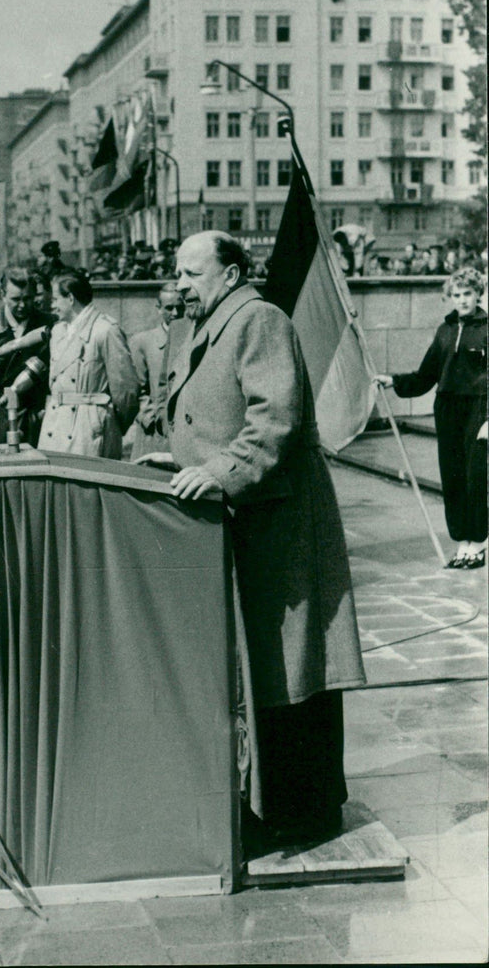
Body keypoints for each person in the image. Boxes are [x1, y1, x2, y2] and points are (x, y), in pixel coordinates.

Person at [137, 231, 366, 852]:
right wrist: (179, 456)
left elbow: (275, 419)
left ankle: (304, 812)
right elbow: (213, 414)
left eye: (191, 273)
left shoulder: (258, 320)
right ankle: (279, 803)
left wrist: (216, 471)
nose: (180, 284)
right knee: (269, 666)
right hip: (246, 520)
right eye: (176, 273)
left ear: (232, 272)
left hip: (279, 523)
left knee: (293, 667)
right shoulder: (211, 323)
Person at [375, 266, 487, 569]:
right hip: (448, 409)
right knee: (453, 478)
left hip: (479, 409)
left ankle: (478, 543)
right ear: (449, 297)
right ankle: (462, 542)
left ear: (478, 293)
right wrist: (394, 381)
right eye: (457, 295)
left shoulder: (487, 327)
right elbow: (427, 375)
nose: (463, 300)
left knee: (475, 479)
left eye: (468, 294)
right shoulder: (445, 330)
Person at [38, 268, 139, 458]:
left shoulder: (105, 330)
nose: (51, 305)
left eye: (55, 299)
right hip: (55, 425)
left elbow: (126, 390)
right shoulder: (58, 331)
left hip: (88, 431)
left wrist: (108, 423)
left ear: (70, 299)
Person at [0, 268, 51, 448]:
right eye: (16, 299)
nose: (23, 305)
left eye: (28, 298)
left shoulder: (49, 325)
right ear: (2, 295)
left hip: (33, 423)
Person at [129, 282, 184, 461]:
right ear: (158, 309)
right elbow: (136, 387)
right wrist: (149, 416)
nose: (175, 313)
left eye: (180, 307)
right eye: (169, 308)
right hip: (153, 431)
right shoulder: (143, 342)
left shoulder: (193, 337)